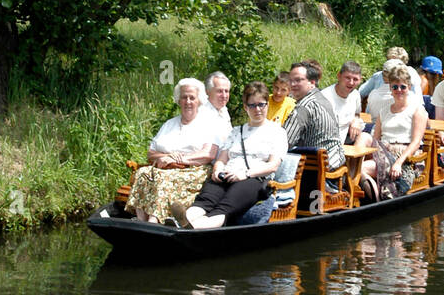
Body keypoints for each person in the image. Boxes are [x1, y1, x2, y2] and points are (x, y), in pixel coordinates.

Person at [185, 83, 288, 229]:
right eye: (252, 105)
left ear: (267, 105)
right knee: (205, 200)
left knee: (225, 206)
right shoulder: (236, 131)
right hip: (226, 175)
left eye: (261, 105)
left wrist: (244, 174)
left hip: (253, 179)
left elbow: (273, 165)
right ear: (245, 107)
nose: (257, 109)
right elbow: (222, 158)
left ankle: (193, 229)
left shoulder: (277, 132)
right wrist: (217, 170)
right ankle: (184, 220)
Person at [127, 78, 221, 225]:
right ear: (178, 100)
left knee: (163, 180)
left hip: (194, 171)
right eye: (184, 97)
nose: (188, 101)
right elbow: (151, 153)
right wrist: (166, 157)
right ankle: (141, 220)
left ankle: (154, 221)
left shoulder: (208, 124)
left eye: (192, 97)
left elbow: (208, 154)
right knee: (142, 173)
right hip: (165, 168)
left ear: (199, 100)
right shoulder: (169, 124)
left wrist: (178, 159)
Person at [360, 66, 428, 199]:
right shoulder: (384, 111)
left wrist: (398, 163)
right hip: (383, 152)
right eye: (395, 87)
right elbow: (376, 139)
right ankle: (372, 193)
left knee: (360, 169)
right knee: (360, 157)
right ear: (390, 88)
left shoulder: (417, 110)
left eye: (402, 87)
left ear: (408, 87)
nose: (399, 90)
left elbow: (415, 142)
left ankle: (377, 200)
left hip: (406, 155)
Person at [284, 61, 346, 169]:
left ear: (312, 83)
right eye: (290, 80)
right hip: (336, 159)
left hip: (316, 167)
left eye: (298, 80)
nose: (292, 84)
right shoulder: (322, 98)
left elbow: (285, 141)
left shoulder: (304, 107)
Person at [321, 61, 365, 145]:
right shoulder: (325, 97)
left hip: (347, 139)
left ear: (360, 80)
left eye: (355, 79)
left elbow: (357, 114)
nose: (351, 82)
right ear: (339, 76)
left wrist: (355, 120)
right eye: (347, 78)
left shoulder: (355, 94)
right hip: (326, 142)